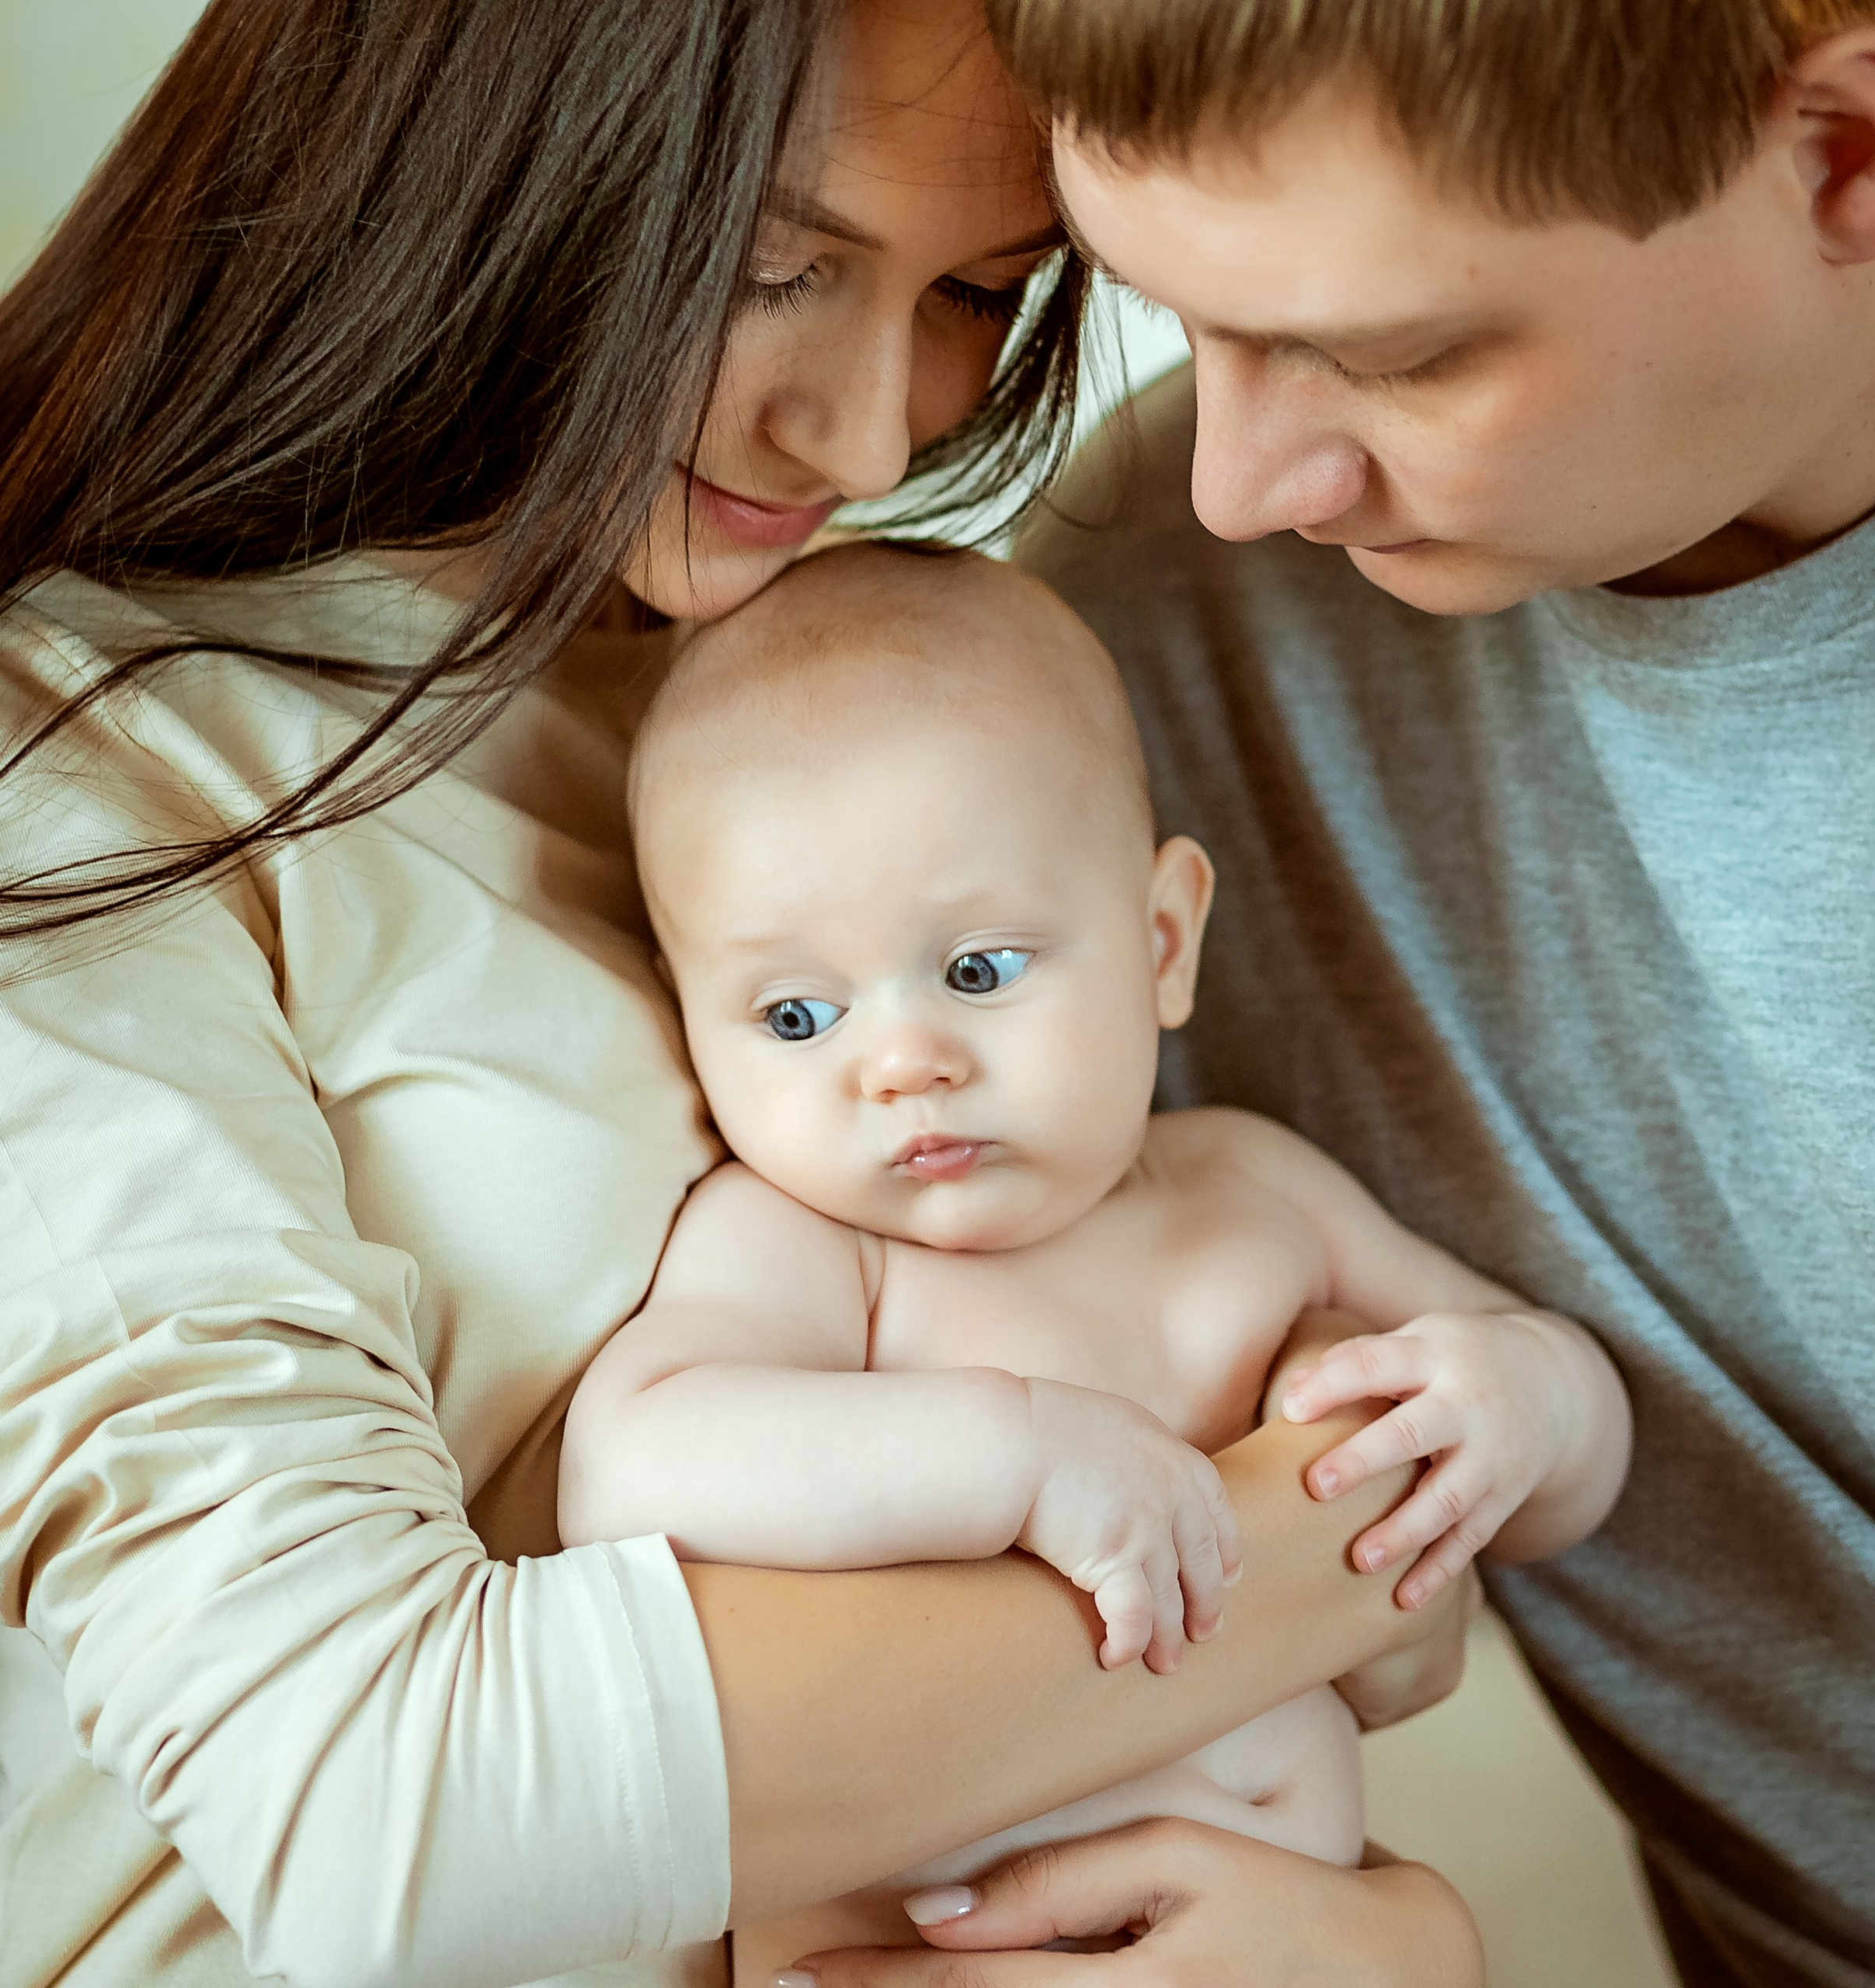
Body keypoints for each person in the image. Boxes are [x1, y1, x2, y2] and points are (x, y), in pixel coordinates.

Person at [0, 4, 1477, 1987]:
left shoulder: (812, 708)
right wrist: (1299, 1559)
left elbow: (1398, 1617)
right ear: (460, 139)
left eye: (974, 296)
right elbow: (382, 1828)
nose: (870, 441)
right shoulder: (57, 781)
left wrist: (1390, 1938)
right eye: (768, 270)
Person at [798, 2, 1875, 1986]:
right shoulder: (1138, 646)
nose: (1241, 479)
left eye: (1392, 354)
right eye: (1170, 319)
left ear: (1835, 155)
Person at [557, 543, 1633, 1986]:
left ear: (1162, 939)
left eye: (978, 971)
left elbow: (1561, 1471)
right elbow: (629, 1469)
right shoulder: (808, 1249)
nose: (903, 1064)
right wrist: (1017, 1456)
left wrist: (1533, 1396)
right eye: (797, 1017)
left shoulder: (1254, 1193)